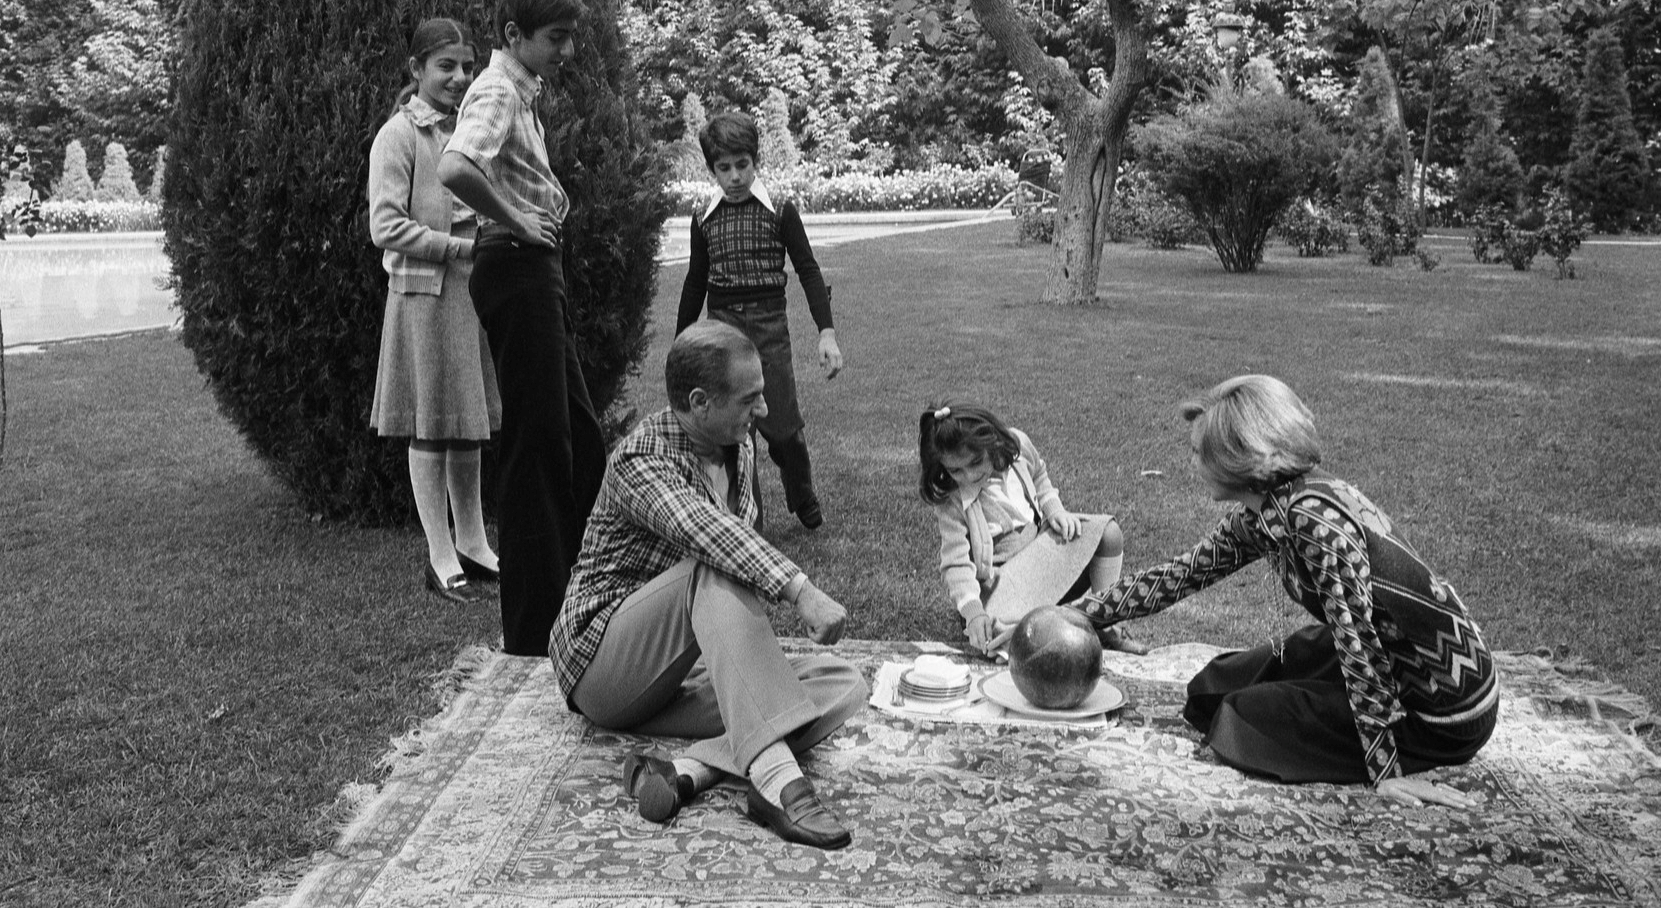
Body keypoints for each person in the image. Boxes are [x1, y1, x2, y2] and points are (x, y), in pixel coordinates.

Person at [1049, 375, 1496, 809]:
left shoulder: (1316, 523)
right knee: (1210, 689)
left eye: (1198, 454)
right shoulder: (1268, 513)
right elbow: (1179, 577)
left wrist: (1386, 769)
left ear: (1237, 460)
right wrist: (1071, 616)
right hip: (1392, 658)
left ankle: (1389, 746)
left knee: (1240, 720)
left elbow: (1357, 645)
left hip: (1440, 709)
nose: (1191, 465)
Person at [549, 321, 867, 850]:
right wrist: (800, 590)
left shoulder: (734, 445)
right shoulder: (641, 460)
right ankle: (778, 784)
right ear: (699, 402)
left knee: (841, 681)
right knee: (714, 563)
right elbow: (712, 535)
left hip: (677, 674)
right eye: (751, 399)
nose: (763, 411)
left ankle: (687, 770)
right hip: (603, 667)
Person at [438, 0, 605, 654]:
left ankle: (582, 596)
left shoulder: (519, 90)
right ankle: (533, 633)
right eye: (555, 38)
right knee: (537, 448)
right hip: (515, 265)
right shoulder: (497, 88)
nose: (566, 51)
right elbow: (455, 167)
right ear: (514, 36)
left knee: (578, 436)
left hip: (533, 268)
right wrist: (517, 219)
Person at [367, 17, 501, 604]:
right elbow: (385, 225)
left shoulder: (467, 131)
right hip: (423, 297)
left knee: (465, 421)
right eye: (445, 66)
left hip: (469, 295)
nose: (458, 77)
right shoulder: (398, 136)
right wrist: (458, 249)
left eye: (466, 66)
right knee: (430, 422)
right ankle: (439, 553)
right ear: (416, 70)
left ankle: (473, 543)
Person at [675, 111, 842, 531]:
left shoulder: (781, 211)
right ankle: (749, 523)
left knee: (783, 429)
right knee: (735, 434)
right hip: (723, 331)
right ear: (712, 169)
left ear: (756, 161)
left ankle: (801, 492)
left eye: (742, 165)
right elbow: (696, 282)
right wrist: (682, 342)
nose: (734, 177)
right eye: (723, 168)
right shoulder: (703, 219)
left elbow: (808, 269)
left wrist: (826, 332)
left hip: (769, 330)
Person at [918, 403, 1145, 658]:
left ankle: (1108, 623)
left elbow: (1039, 475)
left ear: (992, 442)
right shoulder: (952, 501)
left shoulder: (1019, 446)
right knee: (1008, 640)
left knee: (1107, 534)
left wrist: (1055, 510)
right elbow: (956, 565)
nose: (969, 476)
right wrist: (973, 613)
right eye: (955, 470)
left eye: (975, 462)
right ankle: (1043, 623)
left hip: (1042, 556)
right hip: (1003, 587)